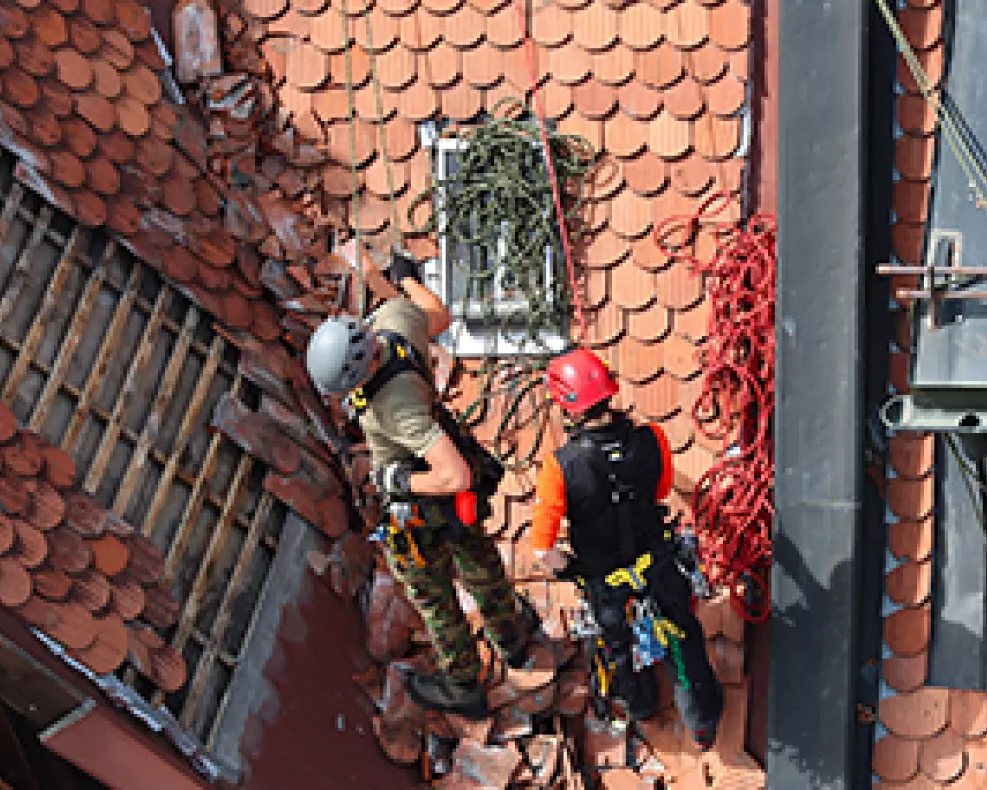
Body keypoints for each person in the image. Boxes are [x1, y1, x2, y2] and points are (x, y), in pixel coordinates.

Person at [305, 250, 536, 718]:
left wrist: (400, 478)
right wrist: (407, 280)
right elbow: (438, 315)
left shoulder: (396, 409)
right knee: (475, 553)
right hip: (448, 457)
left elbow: (454, 476)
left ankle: (463, 683)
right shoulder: (393, 320)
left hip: (425, 494)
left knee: (432, 594)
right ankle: (512, 637)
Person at [531, 347, 723, 749]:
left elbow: (543, 550)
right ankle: (702, 724)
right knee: (683, 638)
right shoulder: (651, 438)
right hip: (658, 567)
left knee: (620, 650)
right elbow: (662, 490)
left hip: (608, 584)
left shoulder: (560, 466)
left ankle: (643, 707)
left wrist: (573, 569)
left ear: (567, 407)